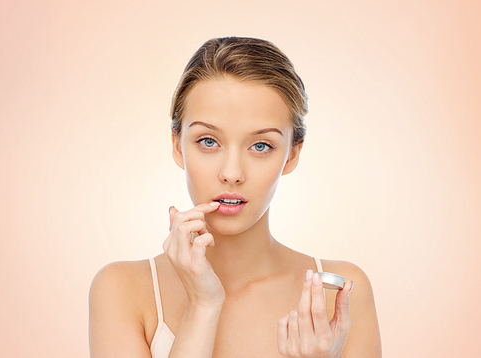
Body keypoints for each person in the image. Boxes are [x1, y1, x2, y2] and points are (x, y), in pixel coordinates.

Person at [88, 36, 381, 358]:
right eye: (208, 141)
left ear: (292, 155)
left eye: (260, 146)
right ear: (177, 146)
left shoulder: (338, 292)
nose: (231, 173)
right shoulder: (123, 289)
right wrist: (203, 304)